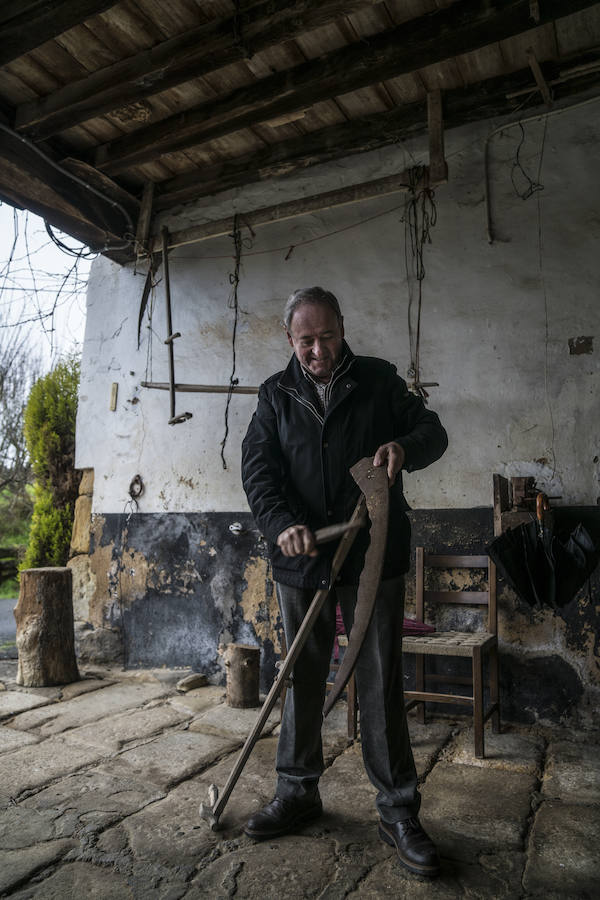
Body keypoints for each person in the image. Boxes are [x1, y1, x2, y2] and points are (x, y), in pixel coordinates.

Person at [241, 287, 448, 877]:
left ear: (341, 329)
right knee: (302, 674)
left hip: (372, 553)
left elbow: (434, 431)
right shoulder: (275, 395)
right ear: (290, 340)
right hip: (303, 557)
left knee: (380, 678)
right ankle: (297, 792)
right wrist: (282, 525)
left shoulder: (379, 380)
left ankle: (398, 810)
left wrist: (404, 448)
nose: (316, 350)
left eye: (326, 336)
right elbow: (258, 470)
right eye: (305, 340)